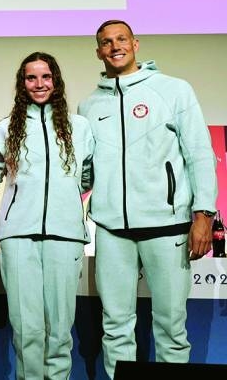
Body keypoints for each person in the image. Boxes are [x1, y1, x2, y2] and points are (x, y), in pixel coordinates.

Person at [78, 20, 218, 377]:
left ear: (136, 44)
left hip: (167, 226)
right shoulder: (89, 104)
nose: (114, 46)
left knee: (171, 327)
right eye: (106, 42)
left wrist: (204, 214)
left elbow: (199, 154)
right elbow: (86, 171)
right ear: (98, 52)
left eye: (121, 39)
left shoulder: (173, 90)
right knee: (116, 327)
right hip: (112, 231)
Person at [0, 52, 95, 379]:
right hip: (18, 236)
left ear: (56, 81)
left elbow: (87, 175)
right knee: (27, 329)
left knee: (60, 329)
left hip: (66, 235)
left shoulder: (80, 127)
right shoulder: (5, 129)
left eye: (45, 77)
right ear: (22, 84)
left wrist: (66, 200)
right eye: (31, 78)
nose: (39, 84)